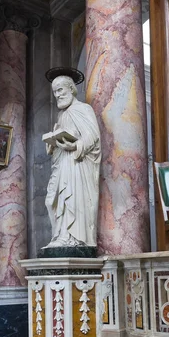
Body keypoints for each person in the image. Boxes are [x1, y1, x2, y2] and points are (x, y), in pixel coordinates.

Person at [43, 68, 101, 248]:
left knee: (72, 200)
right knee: (50, 201)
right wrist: (52, 143)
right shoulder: (61, 116)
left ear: (71, 89)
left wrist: (75, 145)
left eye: (60, 90)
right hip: (61, 165)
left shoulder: (83, 109)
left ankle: (72, 239)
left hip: (77, 166)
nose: (57, 95)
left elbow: (93, 136)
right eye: (54, 92)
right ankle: (59, 235)